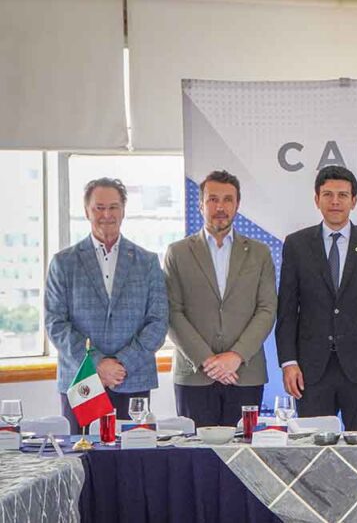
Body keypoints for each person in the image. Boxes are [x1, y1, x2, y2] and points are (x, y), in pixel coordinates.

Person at [276, 166, 357, 430]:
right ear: (316, 199)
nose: (335, 201)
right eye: (328, 194)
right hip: (311, 370)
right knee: (313, 452)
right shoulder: (296, 245)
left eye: (342, 195)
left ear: (354, 200)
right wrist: (288, 362)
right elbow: (286, 310)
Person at [45, 178, 168, 430]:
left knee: (132, 462)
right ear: (86, 211)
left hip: (132, 377)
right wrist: (98, 364)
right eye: (99, 207)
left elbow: (158, 321)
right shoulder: (63, 263)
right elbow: (55, 323)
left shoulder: (147, 262)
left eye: (113, 207)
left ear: (123, 210)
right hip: (82, 379)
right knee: (83, 458)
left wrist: (121, 364)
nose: (106, 214)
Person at [164, 170, 277, 427]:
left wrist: (235, 356)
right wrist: (207, 360)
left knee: (243, 458)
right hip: (194, 375)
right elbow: (172, 312)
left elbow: (267, 309)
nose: (220, 207)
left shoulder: (259, 253)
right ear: (200, 204)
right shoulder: (178, 253)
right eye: (213, 199)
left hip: (244, 373)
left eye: (228, 200)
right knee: (195, 459)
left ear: (237, 205)